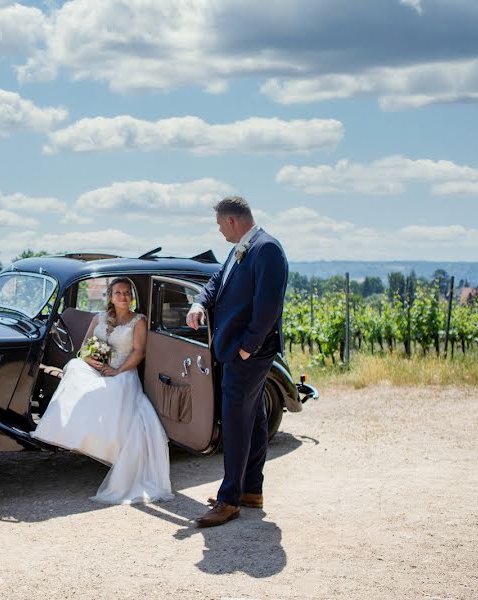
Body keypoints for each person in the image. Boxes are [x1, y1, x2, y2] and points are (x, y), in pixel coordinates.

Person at [186, 196, 288, 527]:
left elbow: (268, 307)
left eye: (219, 224)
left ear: (232, 221)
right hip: (238, 351)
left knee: (234, 423)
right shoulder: (241, 248)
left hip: (249, 353)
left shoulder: (267, 248)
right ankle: (251, 490)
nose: (219, 231)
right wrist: (200, 303)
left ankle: (229, 500)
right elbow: (219, 281)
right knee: (254, 418)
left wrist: (248, 347)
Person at [32, 277, 174, 504]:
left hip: (123, 371)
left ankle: (105, 446)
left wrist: (117, 370)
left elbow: (139, 352)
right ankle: (69, 431)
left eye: (127, 293)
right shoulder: (99, 317)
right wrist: (90, 359)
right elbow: (85, 345)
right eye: (118, 292)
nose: (123, 297)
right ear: (110, 296)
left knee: (112, 390)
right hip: (97, 367)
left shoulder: (138, 321)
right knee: (75, 367)